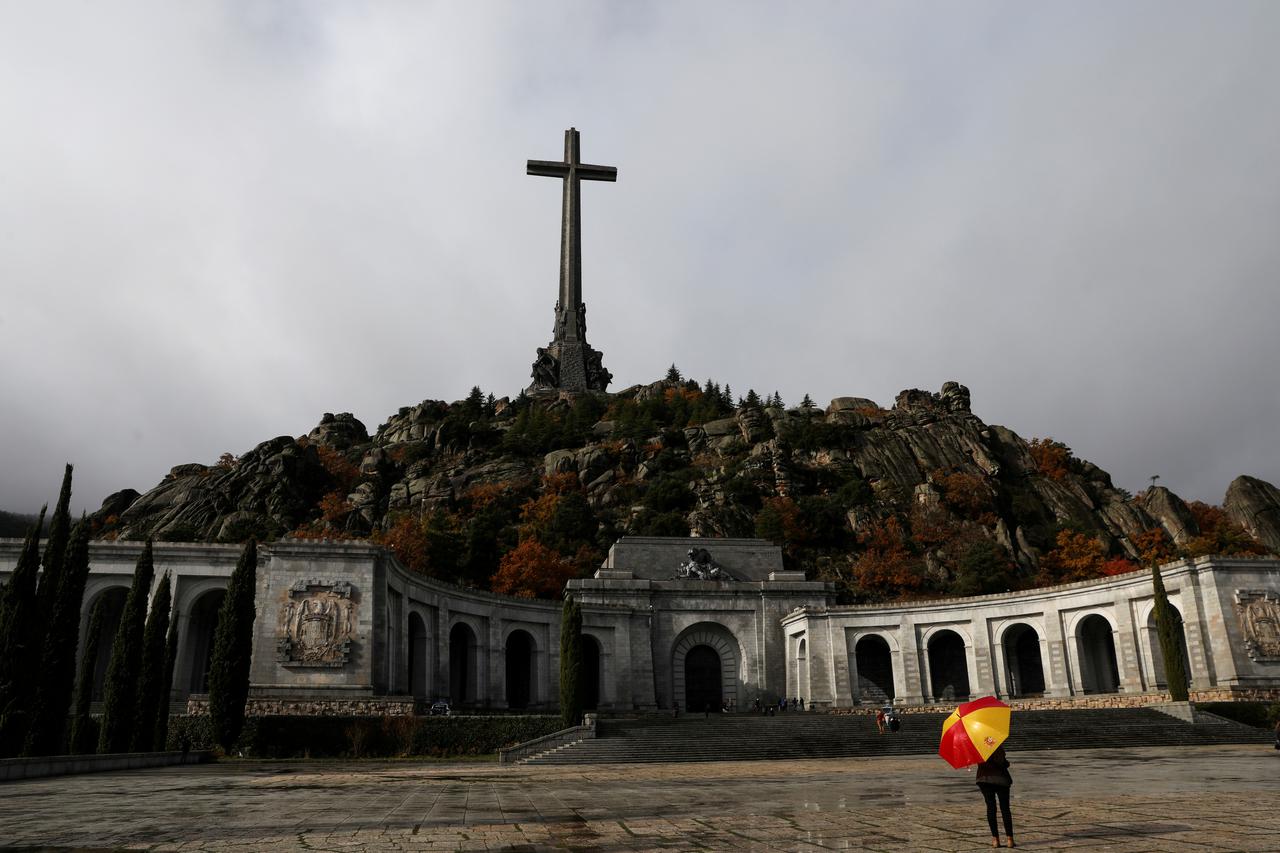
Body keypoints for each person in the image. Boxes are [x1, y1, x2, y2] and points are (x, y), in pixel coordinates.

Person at [975, 745, 1015, 848]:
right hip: (1001, 780)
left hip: (984, 779)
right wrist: (1007, 763)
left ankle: (995, 839)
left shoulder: (978, 748)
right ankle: (1010, 839)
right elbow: (1002, 763)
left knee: (991, 808)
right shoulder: (997, 746)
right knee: (1005, 809)